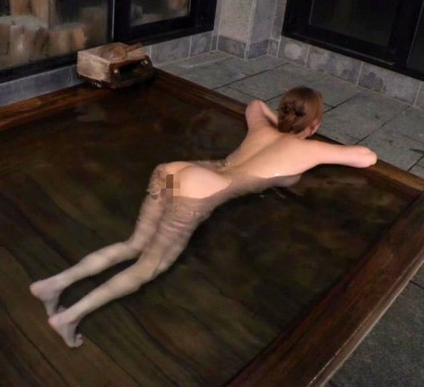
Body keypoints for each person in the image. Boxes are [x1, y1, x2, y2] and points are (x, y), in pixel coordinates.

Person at [29, 86, 377, 348]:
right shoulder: (310, 148)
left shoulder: (261, 128)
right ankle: (68, 317)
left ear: (284, 110)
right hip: (199, 189)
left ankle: (52, 285)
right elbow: (366, 157)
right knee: (149, 267)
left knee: (133, 245)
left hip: (173, 171)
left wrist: (279, 123)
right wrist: (306, 137)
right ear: (314, 124)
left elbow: (255, 105)